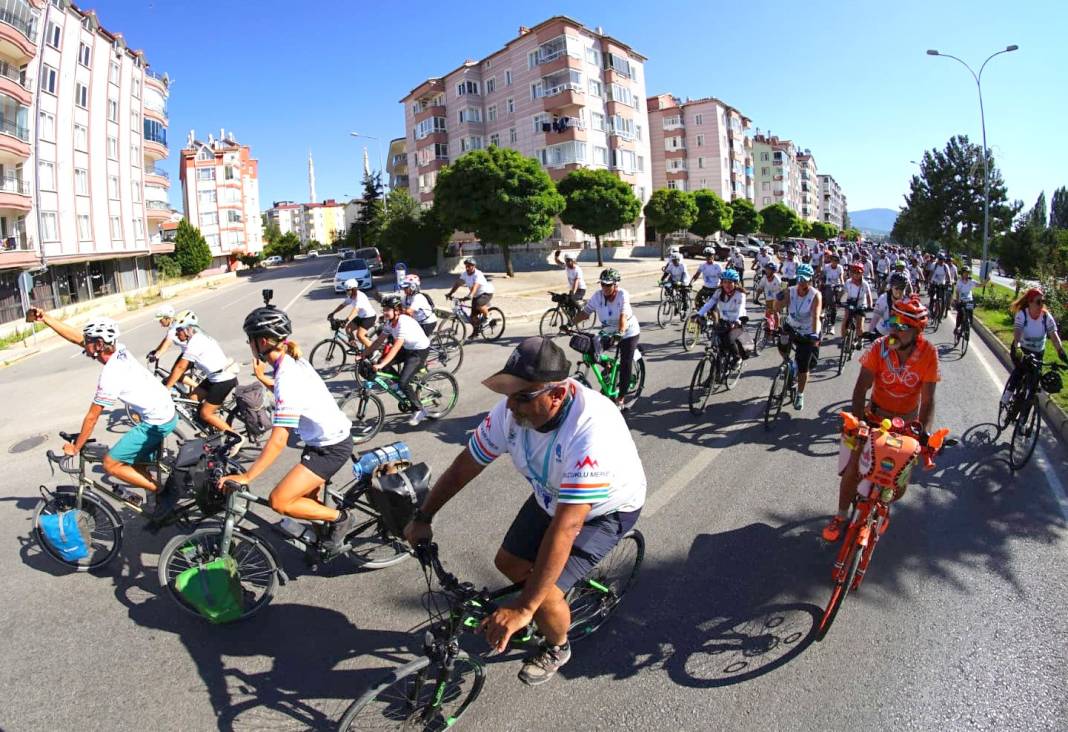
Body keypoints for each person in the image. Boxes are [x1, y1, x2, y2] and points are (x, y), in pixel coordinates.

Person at [403, 336, 645, 687]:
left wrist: (525, 607)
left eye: (522, 397)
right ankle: (542, 601)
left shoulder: (591, 431)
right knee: (508, 562)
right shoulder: (512, 410)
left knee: (543, 595)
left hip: (604, 509)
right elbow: (466, 464)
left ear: (557, 394)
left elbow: (566, 526)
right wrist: (424, 517)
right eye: (508, 394)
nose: (510, 406)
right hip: (552, 493)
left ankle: (558, 645)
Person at [221, 304, 356, 552]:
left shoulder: (287, 376)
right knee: (305, 498)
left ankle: (342, 520)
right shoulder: (291, 363)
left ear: (261, 342)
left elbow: (278, 440)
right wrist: (263, 379)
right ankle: (324, 541)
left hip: (331, 447)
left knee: (280, 501)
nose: (249, 345)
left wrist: (247, 476)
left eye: (249, 340)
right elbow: (291, 399)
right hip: (322, 441)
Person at [26, 309, 179, 511]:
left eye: (88, 340)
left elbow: (92, 417)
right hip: (166, 412)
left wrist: (75, 447)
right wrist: (45, 319)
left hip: (157, 421)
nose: (84, 342)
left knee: (110, 463)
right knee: (133, 460)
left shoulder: (111, 374)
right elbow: (76, 338)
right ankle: (154, 498)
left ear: (99, 344)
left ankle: (162, 491)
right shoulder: (118, 349)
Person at [822, 297, 939, 542]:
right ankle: (841, 515)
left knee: (899, 481)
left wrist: (923, 433)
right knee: (853, 468)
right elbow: (860, 388)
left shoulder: (929, 353)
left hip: (906, 424)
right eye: (892, 321)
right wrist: (859, 419)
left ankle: (882, 507)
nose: (893, 329)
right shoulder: (880, 347)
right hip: (875, 416)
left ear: (916, 331)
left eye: (901, 325)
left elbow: (927, 401)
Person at [162, 310, 241, 441]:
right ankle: (212, 428)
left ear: (187, 330)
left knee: (205, 413)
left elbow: (181, 367)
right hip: (215, 377)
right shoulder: (199, 337)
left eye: (178, 330)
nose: (176, 333)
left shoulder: (195, 343)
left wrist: (167, 388)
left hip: (223, 379)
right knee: (192, 398)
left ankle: (236, 438)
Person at [572, 269, 640, 410]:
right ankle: (607, 366)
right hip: (609, 330)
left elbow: (623, 316)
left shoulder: (622, 295)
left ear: (615, 285)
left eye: (608, 285)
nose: (605, 287)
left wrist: (620, 332)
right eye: (602, 284)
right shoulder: (598, 296)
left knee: (626, 362)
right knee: (590, 346)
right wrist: (570, 323)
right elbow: (585, 313)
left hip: (628, 331)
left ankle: (621, 396)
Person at [363, 295, 433, 426]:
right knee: (383, 364)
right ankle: (399, 386)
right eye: (383, 309)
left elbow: (395, 348)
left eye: (387, 309)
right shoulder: (390, 323)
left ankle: (419, 409)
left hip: (419, 351)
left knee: (403, 382)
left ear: (397, 310)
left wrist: (381, 364)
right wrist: (363, 354)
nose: (384, 312)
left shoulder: (403, 322)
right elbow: (378, 341)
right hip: (407, 348)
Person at [1001, 287, 1068, 403]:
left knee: (1035, 381)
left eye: (1043, 301)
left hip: (1038, 352)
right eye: (1038, 302)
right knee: (1020, 370)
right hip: (1021, 348)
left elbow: (1054, 336)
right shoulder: (1022, 314)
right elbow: (1017, 332)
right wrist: (1017, 347)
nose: (1041, 304)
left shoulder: (1046, 317)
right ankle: (1008, 394)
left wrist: (1061, 352)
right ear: (1030, 302)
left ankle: (1024, 413)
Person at [774, 263, 822, 411]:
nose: (802, 282)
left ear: (810, 280)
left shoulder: (815, 295)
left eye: (805, 280)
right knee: (782, 347)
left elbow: (815, 316)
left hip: (808, 331)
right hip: (791, 326)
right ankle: (789, 364)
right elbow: (777, 308)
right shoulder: (790, 291)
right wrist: (779, 297)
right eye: (800, 279)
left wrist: (814, 335)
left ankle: (800, 394)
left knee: (803, 367)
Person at [693, 268, 749, 362]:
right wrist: (699, 314)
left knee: (728, 339)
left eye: (730, 282)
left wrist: (736, 322)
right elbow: (709, 304)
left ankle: (737, 358)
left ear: (735, 283)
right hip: (724, 320)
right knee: (717, 338)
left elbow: (740, 309)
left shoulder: (740, 294)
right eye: (725, 282)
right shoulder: (719, 292)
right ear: (722, 282)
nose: (727, 285)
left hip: (737, 320)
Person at [447, 257, 495, 334]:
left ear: (474, 266)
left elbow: (475, 286)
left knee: (478, 305)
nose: (467, 268)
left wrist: (470, 295)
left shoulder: (478, 274)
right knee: (472, 318)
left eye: (469, 266)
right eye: (466, 266)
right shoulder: (465, 274)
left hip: (486, 292)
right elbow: (458, 284)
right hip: (476, 295)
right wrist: (450, 293)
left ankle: (488, 317)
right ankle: (476, 332)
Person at [328, 278, 377, 349]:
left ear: (353, 289)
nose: (346, 291)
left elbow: (355, 310)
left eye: (348, 290)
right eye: (346, 290)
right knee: (348, 329)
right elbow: (343, 305)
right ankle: (355, 348)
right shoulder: (351, 296)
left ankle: (373, 351)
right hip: (361, 317)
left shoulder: (360, 297)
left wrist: (346, 320)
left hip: (369, 317)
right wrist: (333, 313)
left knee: (360, 335)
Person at [869, 273, 910, 339]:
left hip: (899, 334)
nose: (899, 291)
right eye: (897, 288)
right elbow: (875, 318)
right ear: (891, 287)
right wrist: (870, 332)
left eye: (902, 289)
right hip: (882, 332)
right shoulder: (883, 298)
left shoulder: (907, 301)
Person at [841, 263, 873, 339]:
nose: (855, 274)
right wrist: (839, 300)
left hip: (861, 305)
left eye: (858, 273)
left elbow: (869, 296)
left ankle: (859, 340)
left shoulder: (865, 284)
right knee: (845, 321)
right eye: (853, 272)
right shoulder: (848, 282)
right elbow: (843, 292)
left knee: (859, 327)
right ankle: (843, 339)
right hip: (850, 303)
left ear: (862, 273)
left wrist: (870, 305)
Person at [951, 267, 978, 337]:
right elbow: (957, 292)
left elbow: (980, 285)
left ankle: (967, 328)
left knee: (970, 315)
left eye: (967, 273)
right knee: (960, 313)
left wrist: (987, 280)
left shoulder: (971, 281)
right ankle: (957, 328)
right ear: (962, 274)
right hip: (962, 301)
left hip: (969, 301)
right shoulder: (959, 282)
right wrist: (957, 300)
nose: (966, 274)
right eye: (965, 273)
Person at [758, 262, 784, 332]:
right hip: (768, 298)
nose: (766, 271)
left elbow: (784, 289)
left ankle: (777, 327)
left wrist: (782, 299)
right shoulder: (764, 278)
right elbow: (760, 288)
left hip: (777, 298)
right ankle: (770, 327)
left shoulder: (777, 279)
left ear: (773, 271)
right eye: (766, 269)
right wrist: (756, 298)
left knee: (775, 311)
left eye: (768, 270)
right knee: (768, 312)